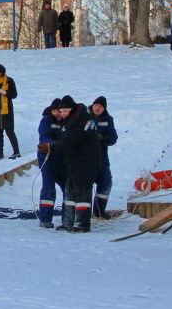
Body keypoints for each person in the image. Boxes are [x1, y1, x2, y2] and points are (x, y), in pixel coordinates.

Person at [37, 95, 101, 232]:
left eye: (65, 111)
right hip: (73, 161)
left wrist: (51, 147)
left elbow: (69, 143)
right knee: (70, 191)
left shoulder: (79, 121)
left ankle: (82, 224)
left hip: (85, 161)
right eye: (61, 111)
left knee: (82, 192)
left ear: (71, 109)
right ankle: (68, 222)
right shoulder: (71, 119)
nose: (62, 114)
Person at [36, 98, 68, 229]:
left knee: (68, 189)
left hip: (64, 161)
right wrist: (52, 145)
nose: (56, 113)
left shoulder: (68, 121)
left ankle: (68, 218)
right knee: (49, 189)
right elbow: (44, 136)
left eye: (59, 111)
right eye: (54, 110)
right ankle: (45, 218)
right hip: (48, 159)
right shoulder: (45, 121)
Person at [89, 96, 118, 219]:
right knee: (84, 186)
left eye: (101, 107)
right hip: (86, 158)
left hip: (102, 158)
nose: (98, 108)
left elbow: (113, 138)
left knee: (106, 183)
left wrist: (102, 138)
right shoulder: (84, 116)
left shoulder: (108, 119)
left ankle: (99, 210)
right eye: (96, 105)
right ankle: (83, 213)